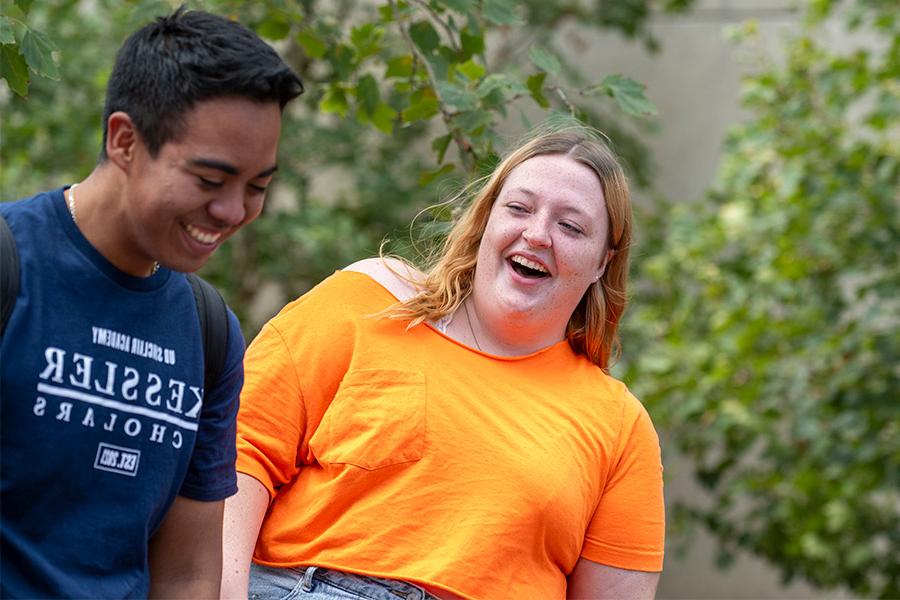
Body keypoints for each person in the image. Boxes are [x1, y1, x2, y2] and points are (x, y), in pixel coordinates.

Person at [221, 127, 664, 600]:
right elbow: (235, 456)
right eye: (518, 208)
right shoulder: (370, 300)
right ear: (486, 219)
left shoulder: (620, 427)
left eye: (570, 226)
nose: (536, 235)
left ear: (602, 262)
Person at [0, 7, 303, 598]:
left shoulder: (209, 330)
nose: (233, 212)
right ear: (125, 140)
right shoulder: (12, 264)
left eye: (258, 187)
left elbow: (189, 572)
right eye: (210, 181)